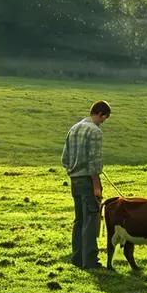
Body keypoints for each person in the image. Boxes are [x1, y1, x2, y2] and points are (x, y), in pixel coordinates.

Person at [61, 101, 111, 269]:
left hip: (74, 180)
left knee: (79, 221)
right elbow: (94, 163)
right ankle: (89, 261)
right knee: (91, 220)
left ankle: (77, 258)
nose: (103, 122)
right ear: (100, 114)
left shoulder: (74, 128)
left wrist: (72, 172)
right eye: (104, 118)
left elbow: (64, 158)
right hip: (88, 180)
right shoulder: (95, 131)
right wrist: (97, 186)